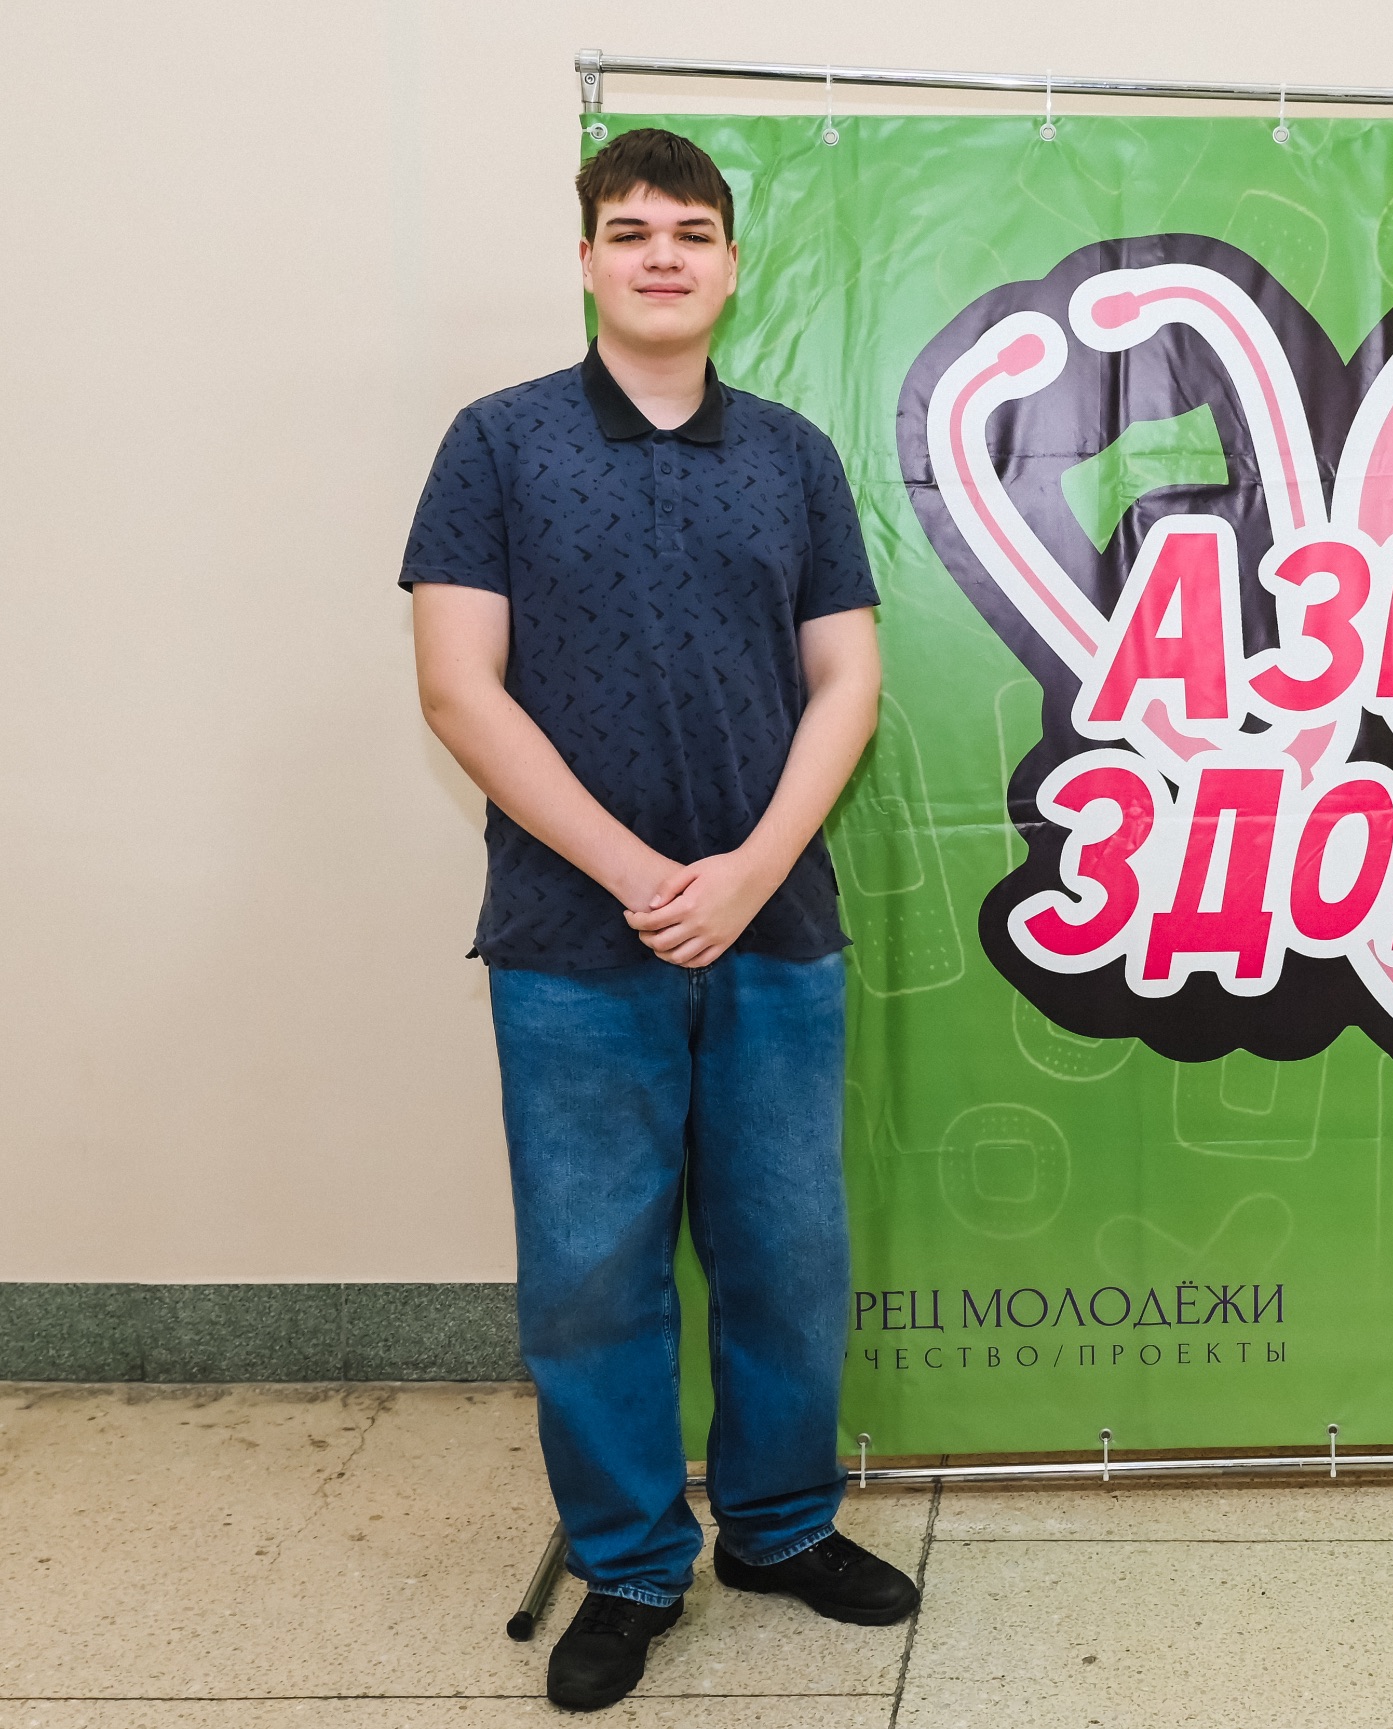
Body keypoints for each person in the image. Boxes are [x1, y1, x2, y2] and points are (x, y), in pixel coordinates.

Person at [401, 128, 910, 1713]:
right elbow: (457, 687)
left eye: (691, 231)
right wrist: (636, 870)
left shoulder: (793, 456)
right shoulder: (496, 443)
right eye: (630, 231)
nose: (663, 255)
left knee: (787, 1254)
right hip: (571, 941)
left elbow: (847, 678)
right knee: (590, 1275)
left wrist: (748, 868)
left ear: (733, 265)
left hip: (776, 923)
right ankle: (628, 1565)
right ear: (586, 259)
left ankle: (780, 1527)